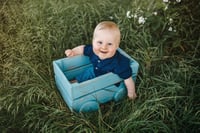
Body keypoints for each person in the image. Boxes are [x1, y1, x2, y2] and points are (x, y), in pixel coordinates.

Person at [65, 21, 137, 100]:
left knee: (93, 86)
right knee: (87, 73)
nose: (104, 47)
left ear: (116, 46)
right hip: (95, 72)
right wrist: (73, 52)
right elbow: (82, 49)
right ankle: (74, 83)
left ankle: (82, 92)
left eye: (109, 44)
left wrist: (131, 93)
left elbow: (128, 79)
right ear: (93, 41)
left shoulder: (118, 63)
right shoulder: (92, 50)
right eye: (100, 42)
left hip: (107, 83)